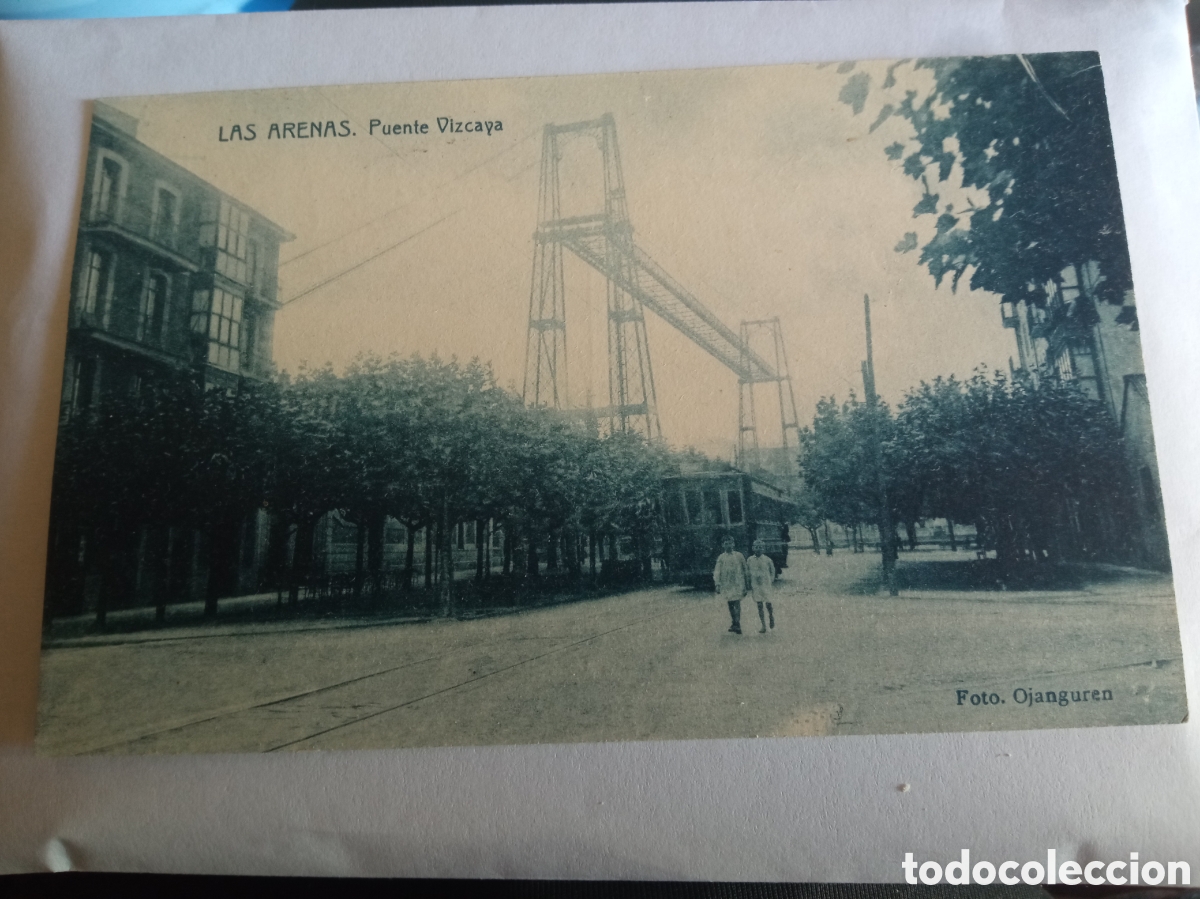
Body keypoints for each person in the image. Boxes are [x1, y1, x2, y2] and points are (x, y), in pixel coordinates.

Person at [713, 536, 749, 634]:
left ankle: (737, 624)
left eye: (730, 543)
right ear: (722, 545)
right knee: (730, 603)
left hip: (738, 583)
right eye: (726, 544)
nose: (728, 545)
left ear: (733, 544)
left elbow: (745, 569)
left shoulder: (739, 556)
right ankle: (734, 622)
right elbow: (717, 571)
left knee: (737, 603)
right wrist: (717, 584)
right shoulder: (721, 557)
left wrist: (746, 584)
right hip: (727, 584)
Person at [747, 538, 777, 632]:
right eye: (756, 547)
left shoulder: (767, 560)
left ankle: (771, 616)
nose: (758, 549)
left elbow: (772, 571)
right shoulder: (750, 560)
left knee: (768, 603)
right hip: (756, 585)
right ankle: (763, 625)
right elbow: (747, 572)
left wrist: (771, 580)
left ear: (763, 549)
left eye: (760, 547)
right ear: (753, 548)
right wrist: (748, 583)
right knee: (759, 605)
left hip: (766, 584)